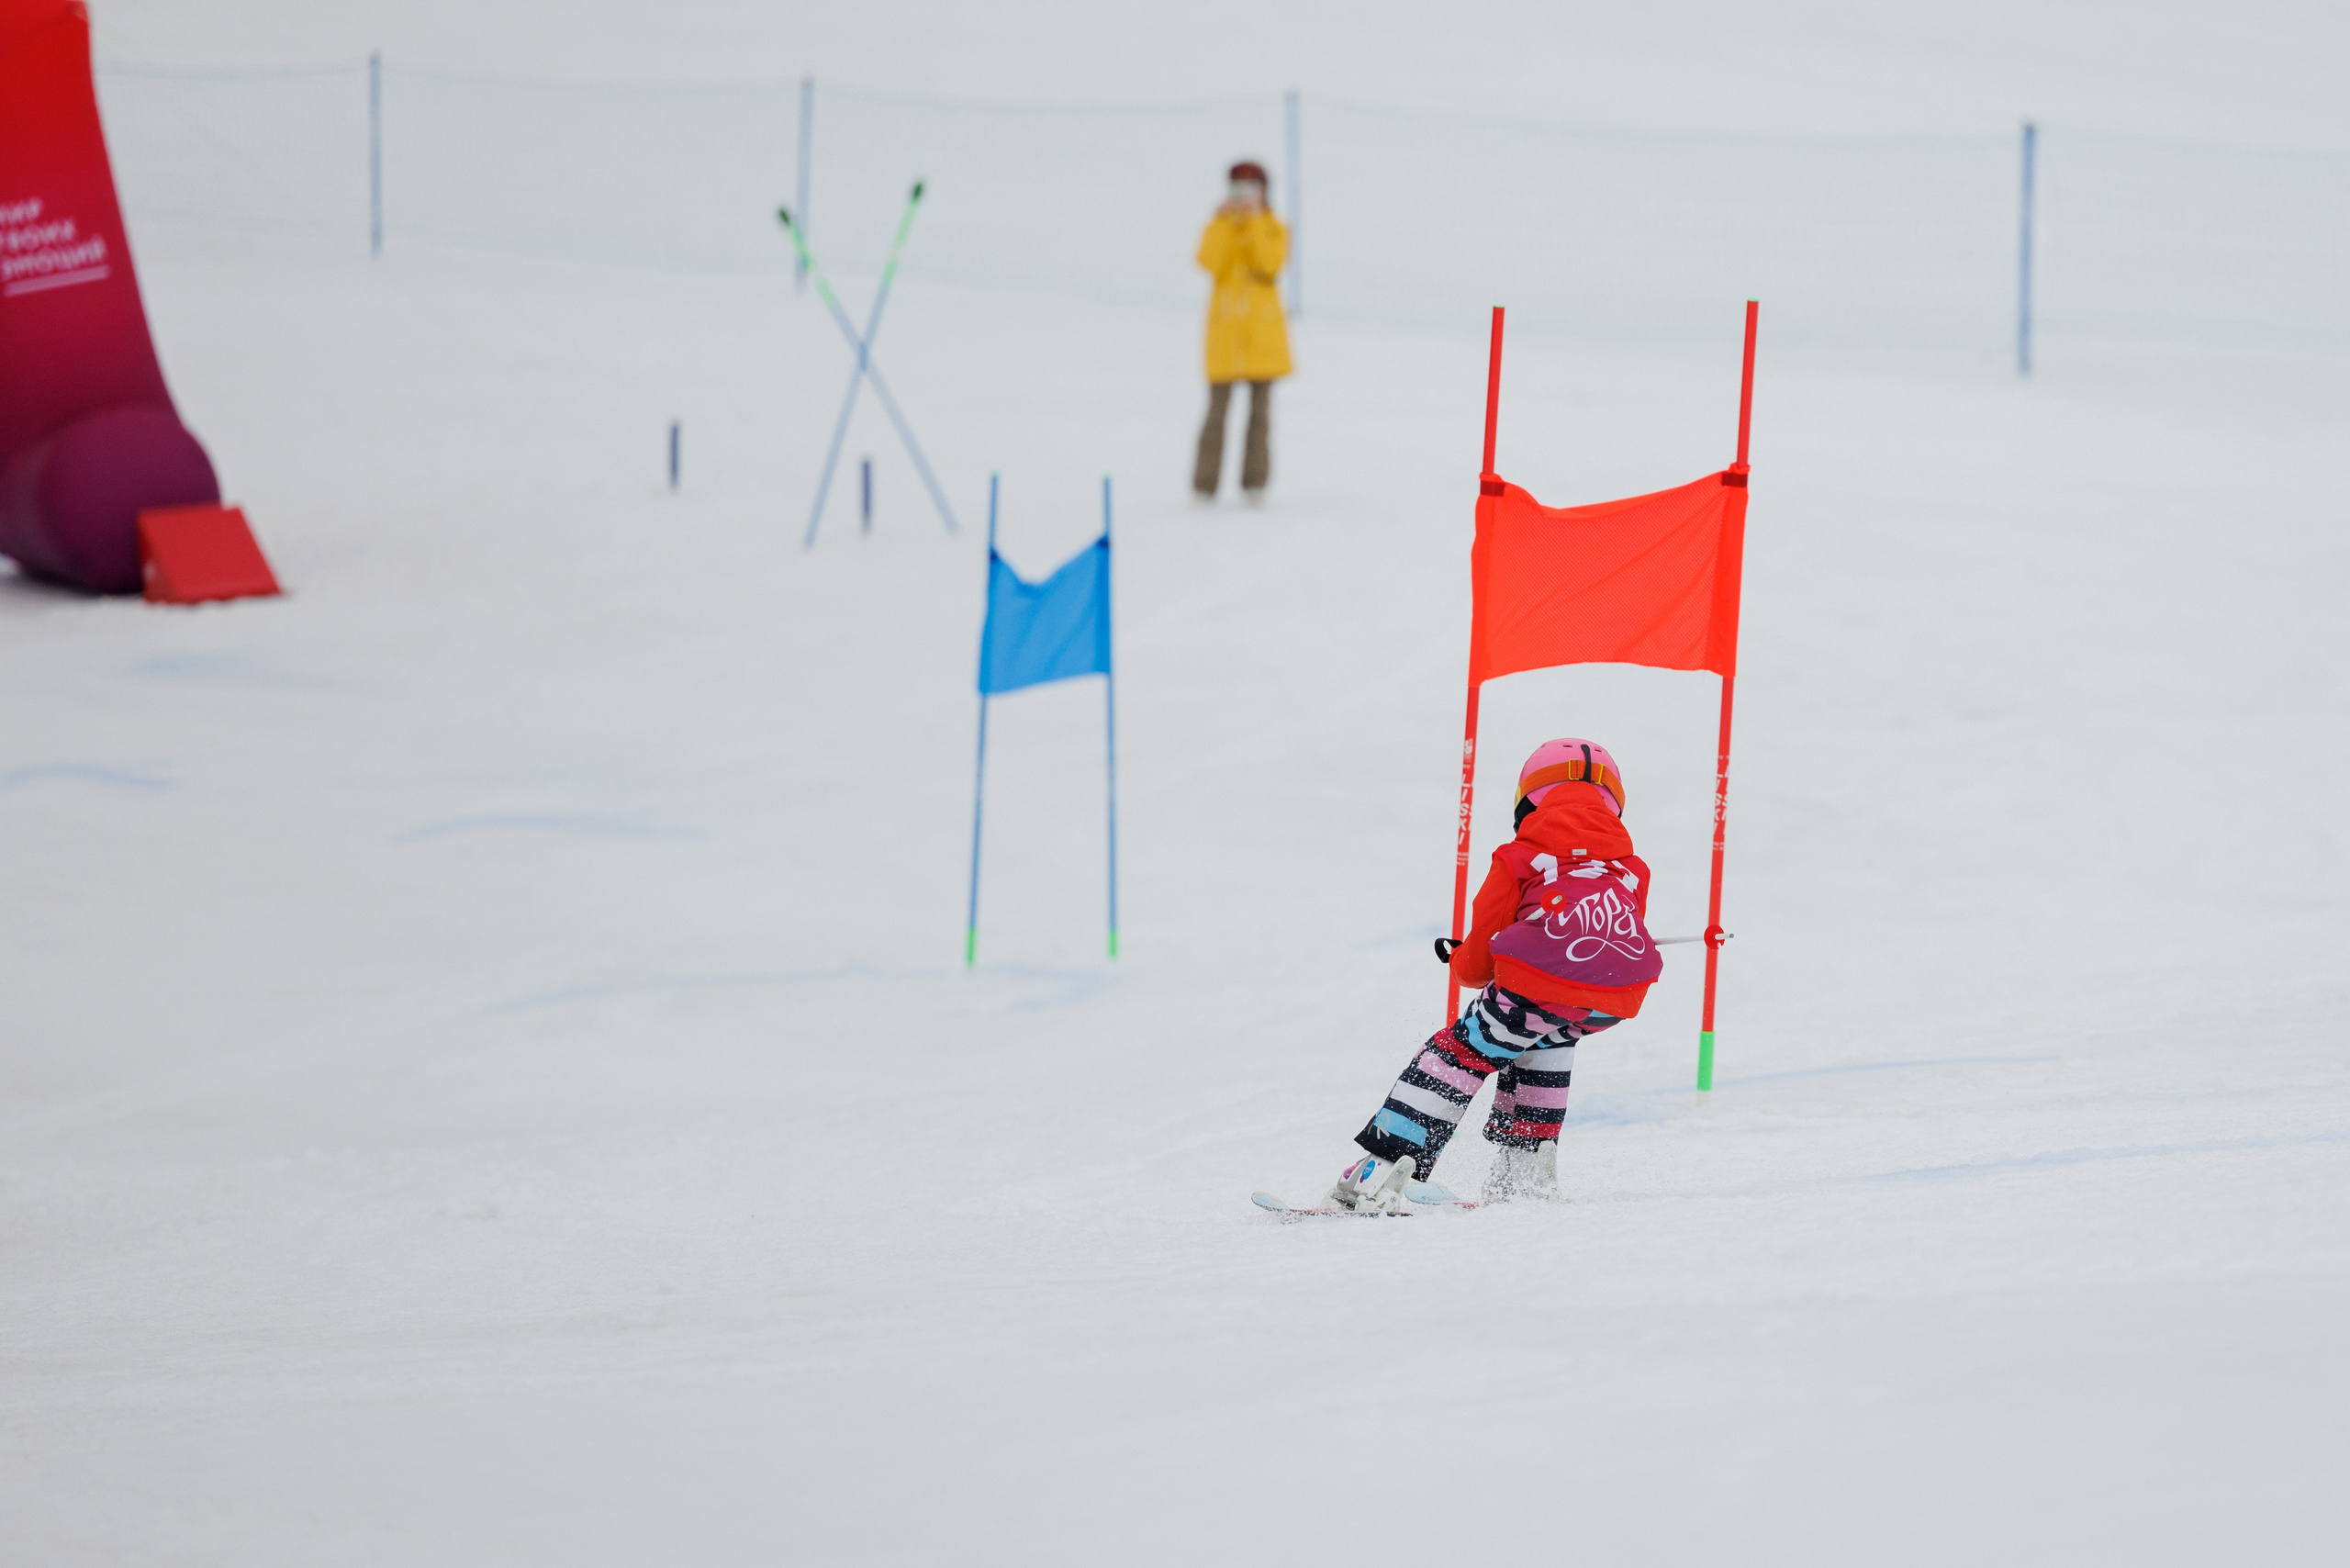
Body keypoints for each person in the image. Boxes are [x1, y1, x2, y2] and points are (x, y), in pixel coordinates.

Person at [1328, 739, 1664, 1212]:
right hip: (1613, 998)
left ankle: (1381, 1170)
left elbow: (1478, 961)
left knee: (1461, 1053)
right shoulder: (1631, 870)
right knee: (1545, 1043)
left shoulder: (1519, 858)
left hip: (1538, 983)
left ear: (1528, 803)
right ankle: (1524, 1173)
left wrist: (1462, 960)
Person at [1192, 160, 1291, 503]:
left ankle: (1255, 484)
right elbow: (1208, 262)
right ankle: (1204, 486)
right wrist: (1223, 222)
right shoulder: (1220, 226)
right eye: (1237, 188)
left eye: (1251, 189)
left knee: (1259, 417)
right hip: (1224, 338)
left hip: (1263, 339)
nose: (1244, 196)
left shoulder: (1273, 227)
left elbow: (1270, 265)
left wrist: (1253, 222)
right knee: (1215, 414)